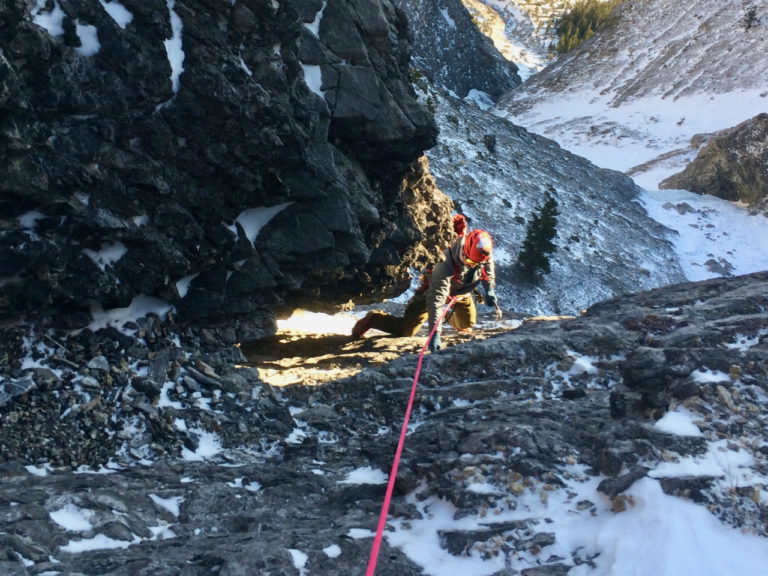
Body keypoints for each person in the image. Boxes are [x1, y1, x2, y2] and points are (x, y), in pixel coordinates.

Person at [352, 223, 499, 352]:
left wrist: (489, 288)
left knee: (468, 322)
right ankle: (373, 319)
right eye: (468, 261)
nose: (471, 265)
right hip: (433, 292)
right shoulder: (446, 262)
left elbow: (488, 267)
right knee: (406, 329)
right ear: (464, 250)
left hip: (461, 293)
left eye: (475, 263)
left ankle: (448, 315)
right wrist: (435, 334)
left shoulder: (482, 253)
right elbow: (436, 298)